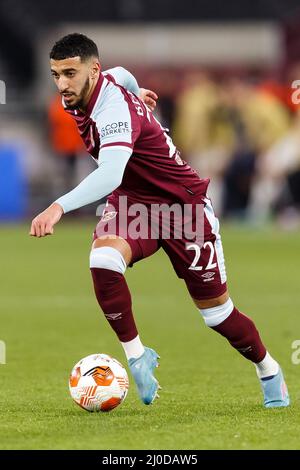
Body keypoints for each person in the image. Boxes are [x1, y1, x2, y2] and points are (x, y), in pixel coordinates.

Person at [30, 33, 289, 408]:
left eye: (70, 73)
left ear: (92, 70)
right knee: (103, 259)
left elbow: (111, 174)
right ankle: (137, 356)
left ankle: (268, 369)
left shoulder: (112, 108)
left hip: (183, 210)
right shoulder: (102, 83)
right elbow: (125, 74)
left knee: (217, 315)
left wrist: (58, 207)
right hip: (136, 206)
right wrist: (142, 91)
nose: (62, 84)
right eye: (56, 74)